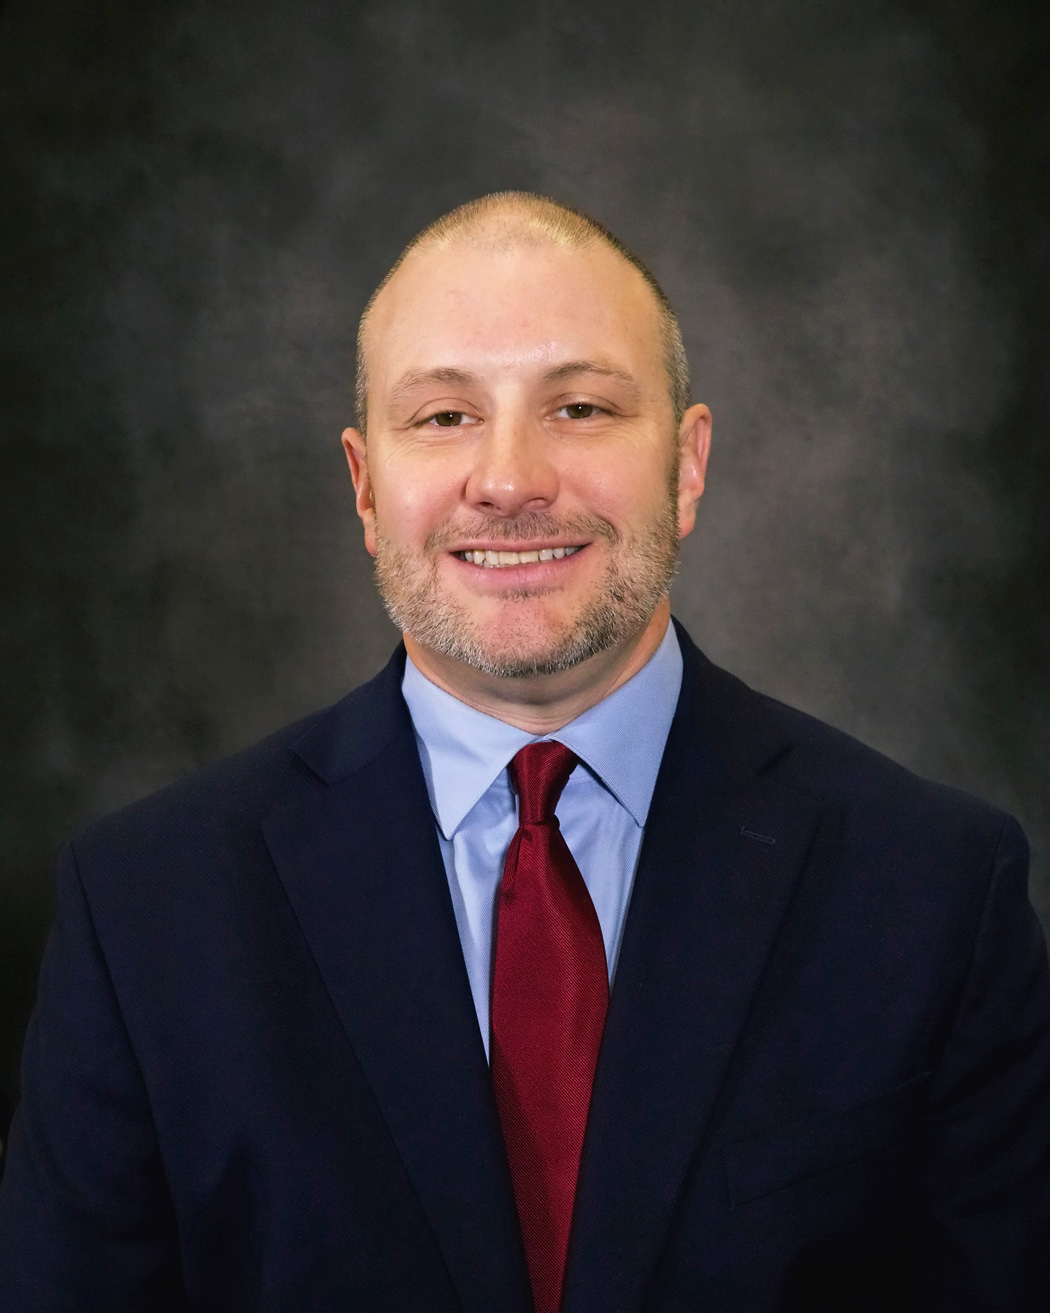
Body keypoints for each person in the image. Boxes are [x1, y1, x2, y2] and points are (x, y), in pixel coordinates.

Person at [0, 192, 1048, 1312]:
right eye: (444, 416)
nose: (509, 479)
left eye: (582, 406)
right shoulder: (145, 910)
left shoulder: (934, 890)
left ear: (687, 467)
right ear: (364, 484)